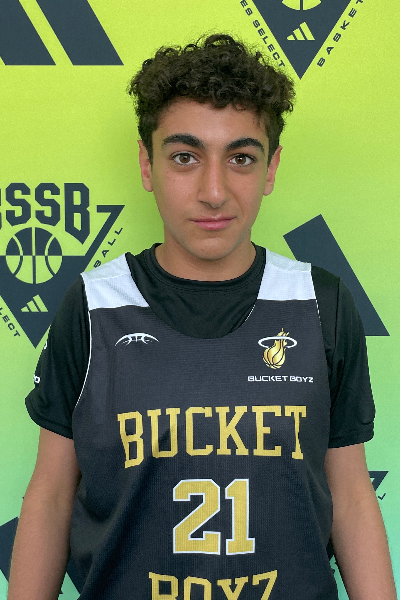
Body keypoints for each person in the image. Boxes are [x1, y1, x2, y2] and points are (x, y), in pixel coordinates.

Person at [8, 34, 397, 600]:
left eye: (241, 158)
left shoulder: (320, 302)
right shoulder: (93, 306)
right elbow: (51, 495)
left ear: (270, 168)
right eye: (185, 157)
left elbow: (352, 494)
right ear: (147, 164)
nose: (214, 191)